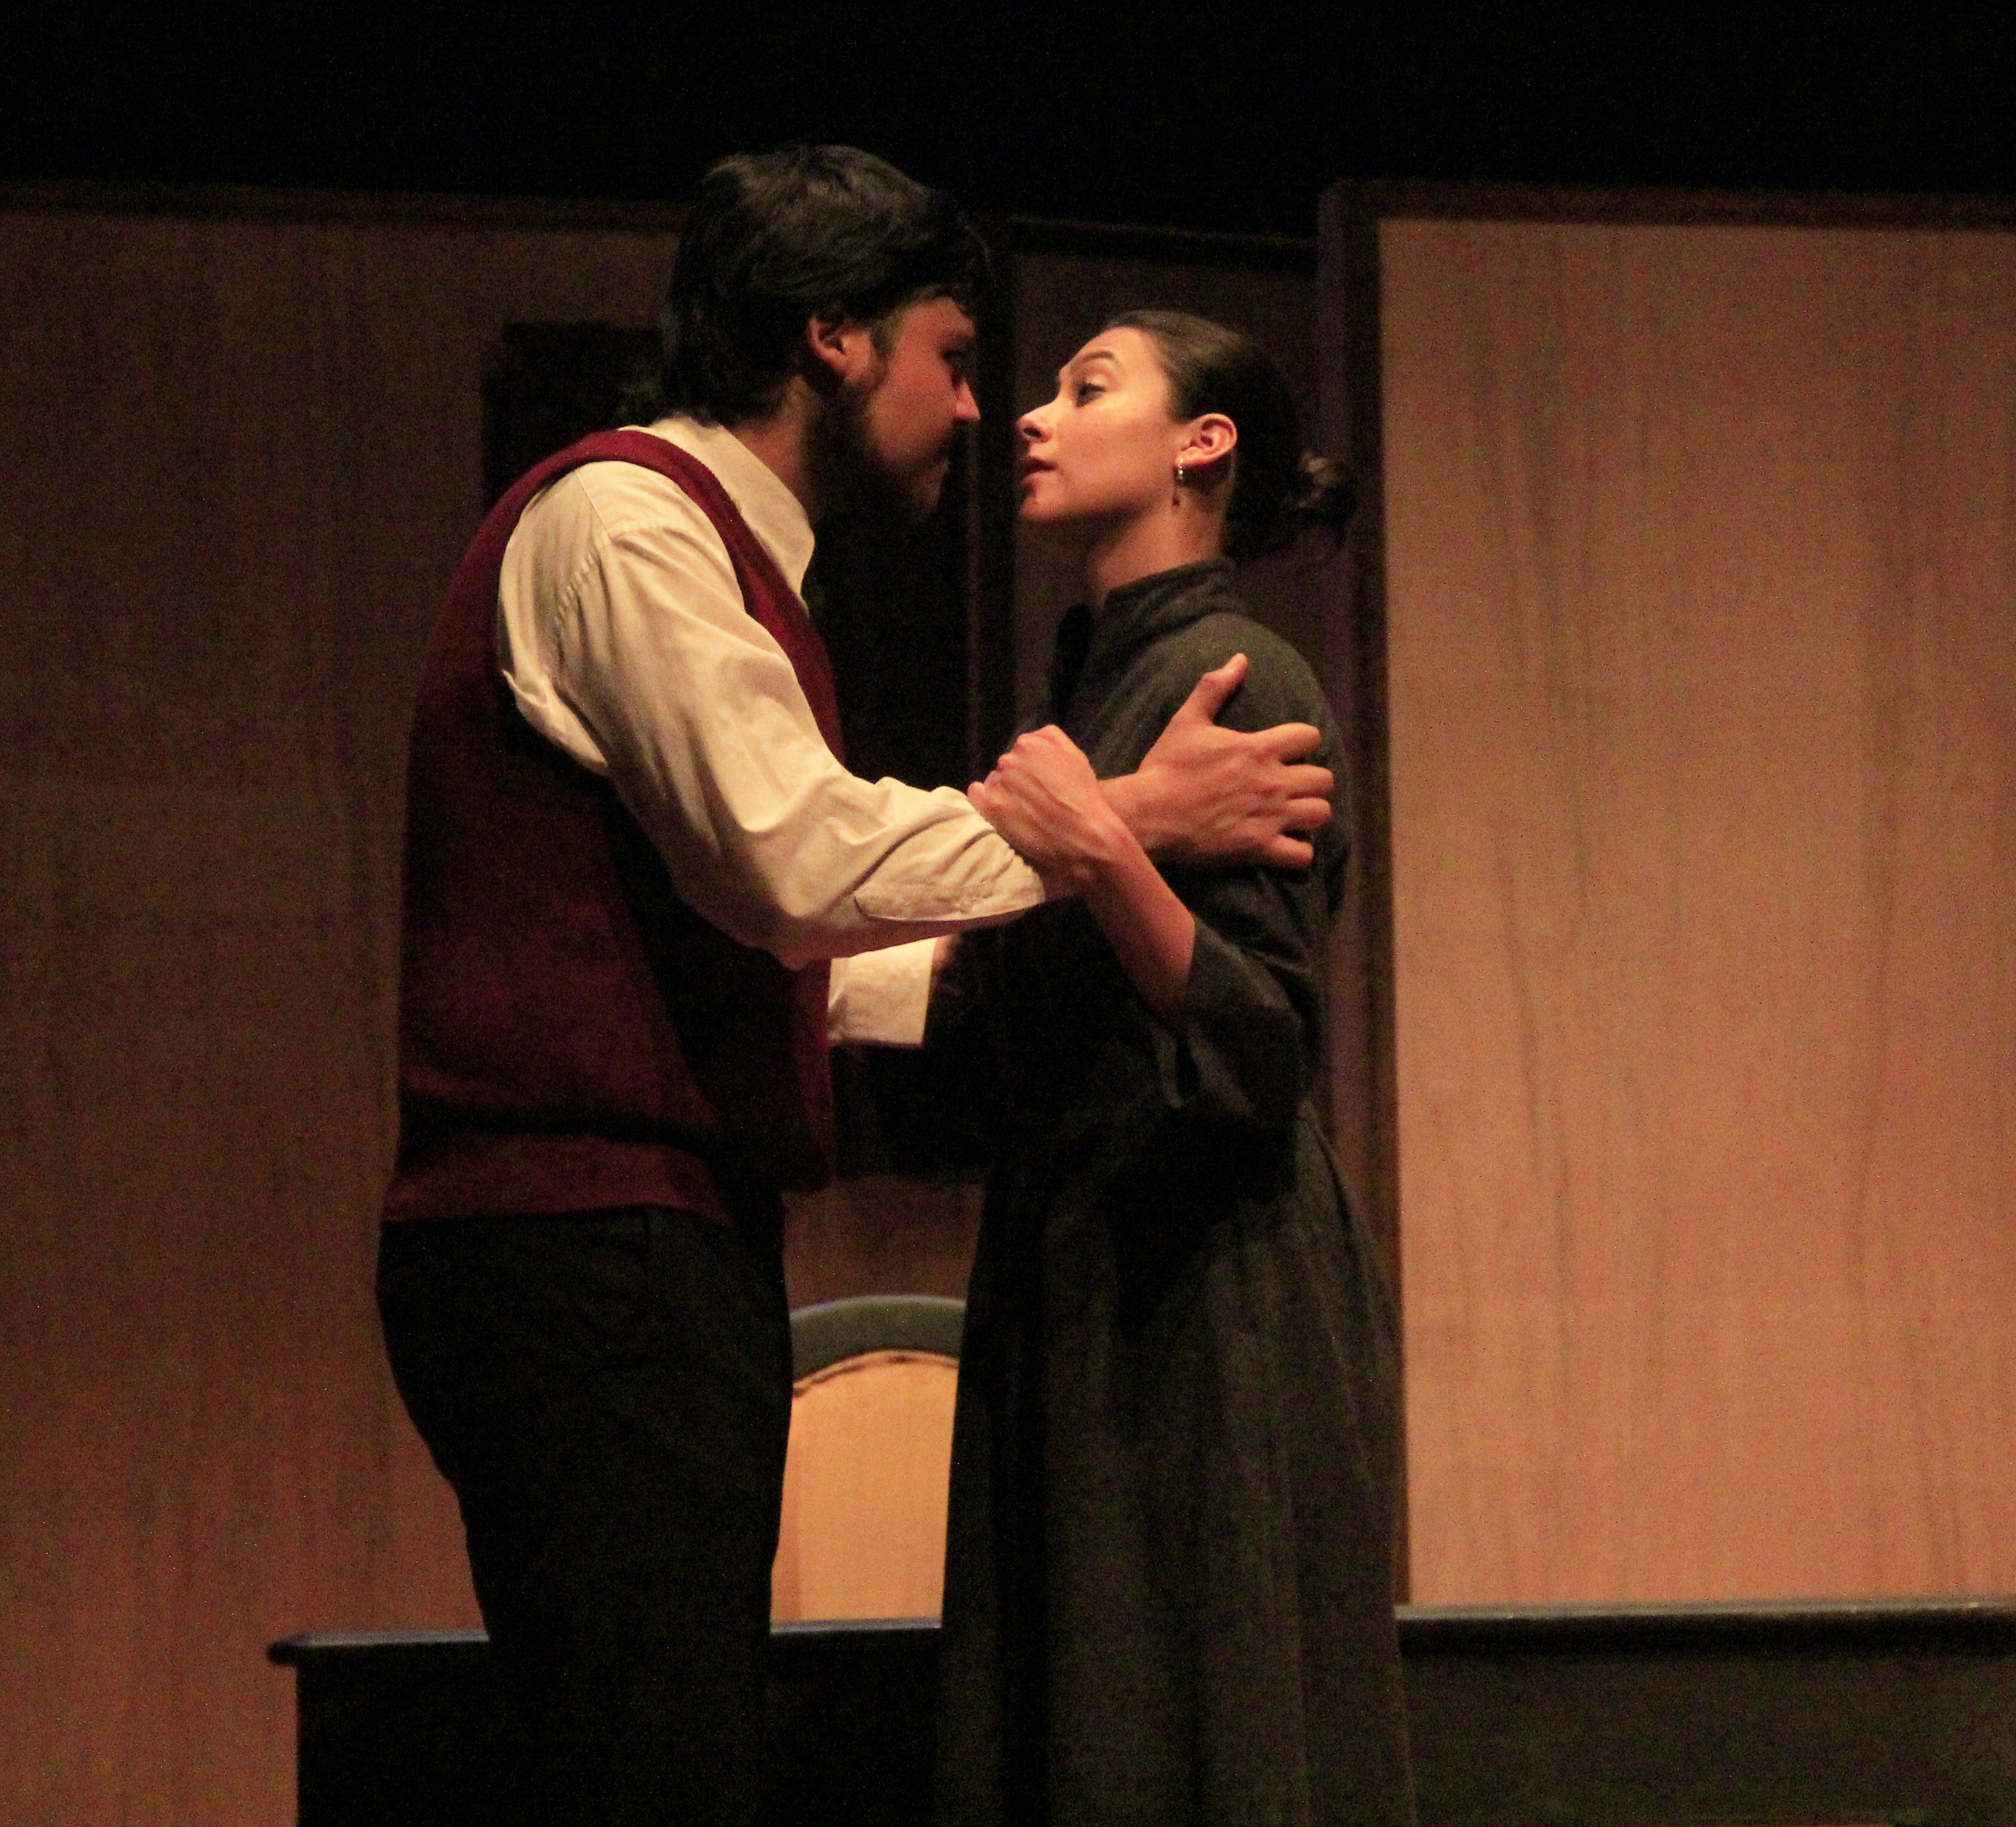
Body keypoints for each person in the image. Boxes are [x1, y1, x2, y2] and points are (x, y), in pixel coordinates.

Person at [373, 150, 1338, 1827]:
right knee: (653, 1769)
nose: (978, 408)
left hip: (645, 1243)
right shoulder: (629, 523)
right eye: (953, 356)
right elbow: (791, 862)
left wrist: (1017, 941)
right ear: (833, 336)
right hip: (586, 1242)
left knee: (660, 1748)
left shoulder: (756, 565)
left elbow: (762, 945)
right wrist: (1121, 822)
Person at [933, 310, 1417, 1826]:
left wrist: (1099, 847)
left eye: (1088, 388)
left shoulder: (1233, 675)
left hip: (1207, 1279)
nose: (1032, 415)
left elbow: (1260, 1041)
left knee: (1183, 1729)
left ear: (1200, 446)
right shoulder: (1095, 685)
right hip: (1088, 1257)